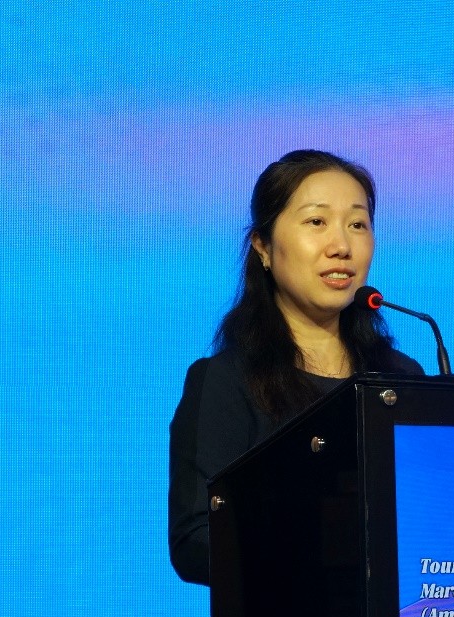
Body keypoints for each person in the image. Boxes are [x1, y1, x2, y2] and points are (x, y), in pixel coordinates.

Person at [169, 149, 424, 587]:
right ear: (263, 247)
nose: (341, 246)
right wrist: (317, 550)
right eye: (316, 221)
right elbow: (195, 540)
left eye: (357, 224)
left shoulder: (401, 379)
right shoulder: (227, 381)